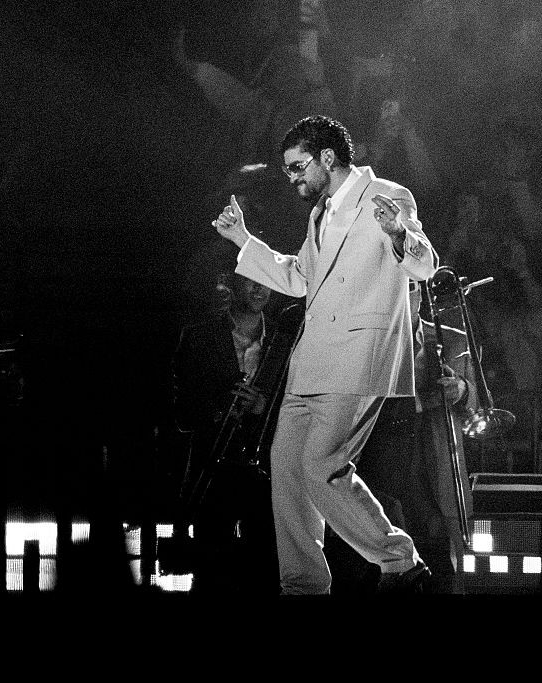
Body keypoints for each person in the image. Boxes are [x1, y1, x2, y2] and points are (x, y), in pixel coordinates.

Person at [213, 114, 437, 595]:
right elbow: (300, 278)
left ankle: (400, 561)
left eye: (298, 167)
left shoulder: (387, 196)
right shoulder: (321, 212)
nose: (292, 178)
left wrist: (399, 234)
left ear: (327, 158)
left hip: (358, 359)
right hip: (310, 364)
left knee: (321, 466)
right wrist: (244, 241)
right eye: (288, 170)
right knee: (288, 471)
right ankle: (303, 586)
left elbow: (424, 266)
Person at [324, 281, 476, 595]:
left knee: (439, 563)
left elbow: (474, 403)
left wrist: (462, 389)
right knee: (372, 562)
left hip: (430, 460)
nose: (406, 295)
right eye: (398, 286)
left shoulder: (451, 339)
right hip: (379, 456)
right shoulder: (365, 337)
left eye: (412, 287)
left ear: (422, 292)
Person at [171, 272, 299, 592]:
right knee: (212, 575)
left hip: (267, 473)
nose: (260, 288)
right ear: (233, 281)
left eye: (266, 279)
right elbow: (180, 414)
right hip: (213, 472)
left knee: (267, 571)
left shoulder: (285, 341)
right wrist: (219, 408)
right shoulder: (198, 336)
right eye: (251, 278)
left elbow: (302, 410)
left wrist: (263, 407)